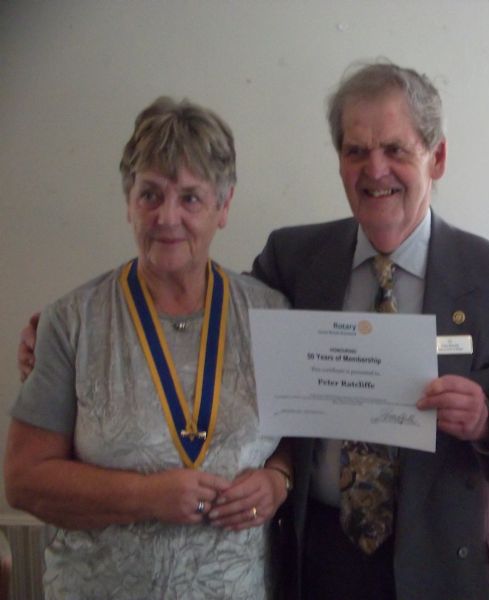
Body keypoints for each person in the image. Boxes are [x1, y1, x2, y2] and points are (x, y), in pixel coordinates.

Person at [251, 62, 489, 600]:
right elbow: (247, 382)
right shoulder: (291, 260)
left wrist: (486, 424)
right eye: (356, 151)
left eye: (395, 149)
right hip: (317, 560)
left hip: (449, 568)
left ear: (438, 158)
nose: (374, 169)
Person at [5, 97, 293, 599]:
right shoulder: (72, 321)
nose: (168, 217)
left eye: (191, 198)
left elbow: (297, 430)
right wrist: (145, 496)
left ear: (223, 208)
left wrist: (278, 480)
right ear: (128, 202)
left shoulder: (272, 316)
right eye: (150, 195)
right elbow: (25, 481)